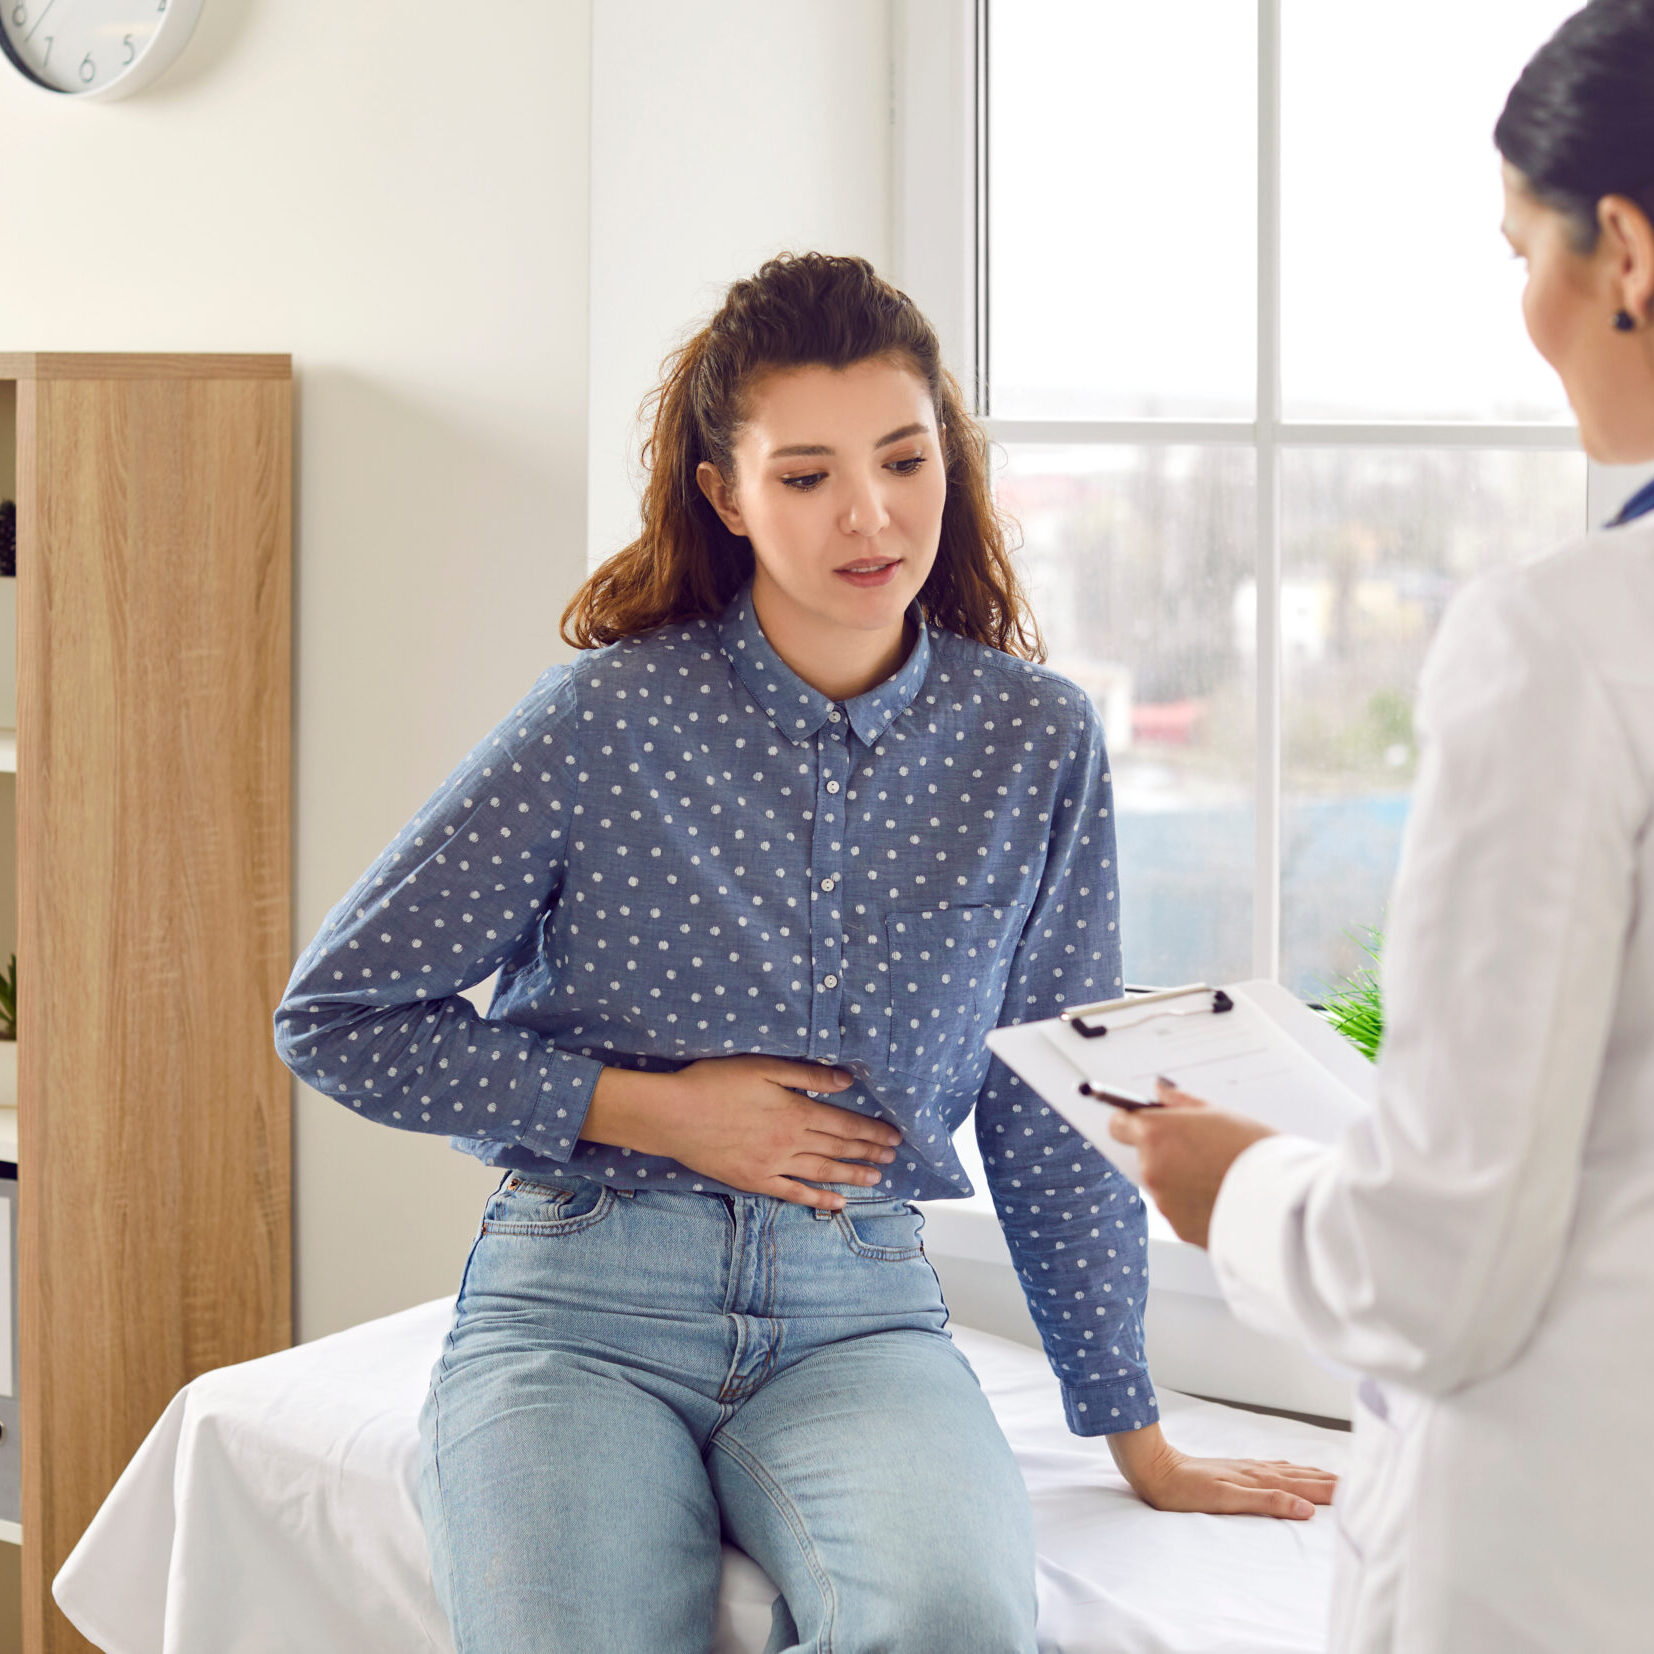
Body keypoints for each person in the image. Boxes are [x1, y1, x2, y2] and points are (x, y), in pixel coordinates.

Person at [274, 252, 1334, 1654]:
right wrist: (651, 1109)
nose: (869, 514)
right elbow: (338, 1011)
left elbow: (1042, 1099)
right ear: (724, 493)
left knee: (955, 1624)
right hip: (578, 1302)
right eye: (805, 474)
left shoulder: (1033, 739)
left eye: (902, 458)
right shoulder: (607, 718)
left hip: (863, 1313)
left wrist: (1128, 1427)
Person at [1110, 4, 1654, 1650]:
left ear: (1621, 249)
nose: (1528, 315)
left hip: (1564, 1546)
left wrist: (1241, 1186)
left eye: (1521, 251)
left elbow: (1438, 1270)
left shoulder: (1564, 639)